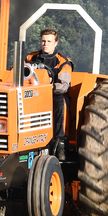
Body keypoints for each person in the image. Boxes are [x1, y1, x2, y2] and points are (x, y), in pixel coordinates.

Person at [26, 29, 74, 161]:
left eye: (49, 41)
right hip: (32, 94)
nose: (45, 44)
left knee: (61, 102)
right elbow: (16, 73)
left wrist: (47, 88)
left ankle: (60, 143)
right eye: (43, 41)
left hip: (53, 95)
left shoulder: (63, 61)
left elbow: (64, 85)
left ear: (56, 43)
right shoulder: (30, 58)